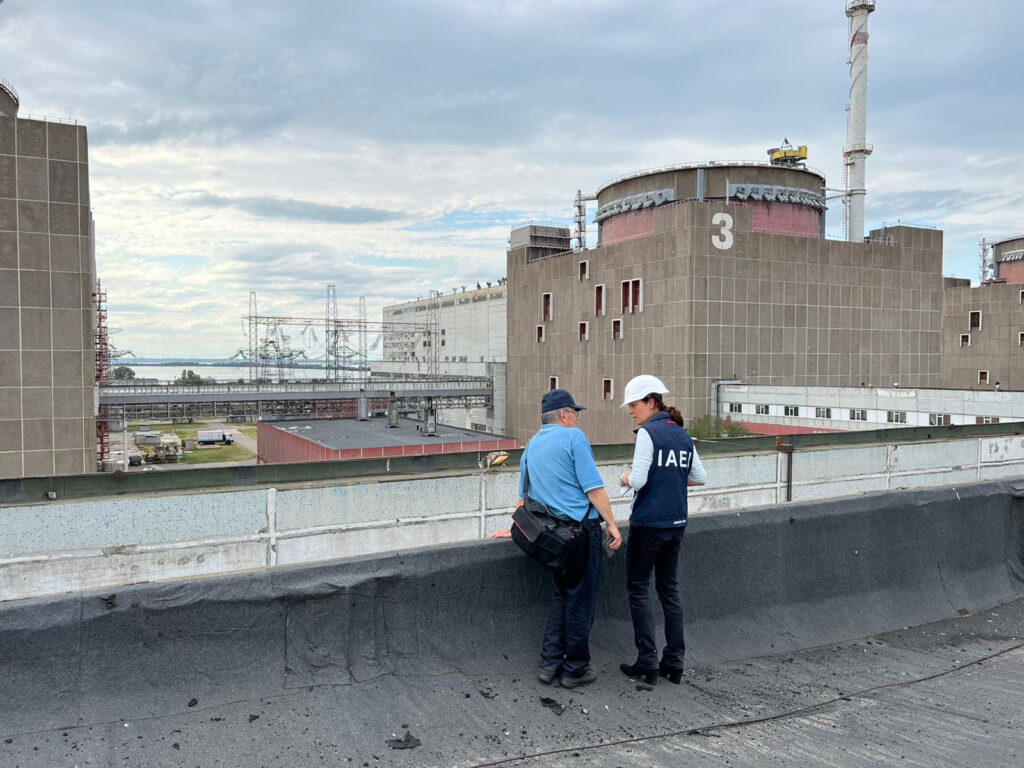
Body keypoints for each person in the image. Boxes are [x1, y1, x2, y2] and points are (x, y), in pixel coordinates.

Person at [496, 388, 622, 688]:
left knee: (561, 597)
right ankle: (574, 670)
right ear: (564, 415)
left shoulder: (531, 446)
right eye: (575, 414)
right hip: (581, 534)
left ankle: (549, 663)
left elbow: (522, 501)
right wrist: (612, 524)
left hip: (551, 539)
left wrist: (511, 529)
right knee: (581, 602)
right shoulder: (573, 438)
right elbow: (593, 488)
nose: (577, 419)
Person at [617, 375, 706, 685]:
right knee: (669, 590)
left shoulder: (647, 434)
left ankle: (647, 661)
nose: (631, 410)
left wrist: (625, 479)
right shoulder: (681, 434)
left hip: (648, 524)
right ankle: (674, 662)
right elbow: (700, 476)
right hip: (677, 523)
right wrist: (671, 478)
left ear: (650, 402)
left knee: (639, 589)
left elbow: (639, 480)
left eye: (634, 404)